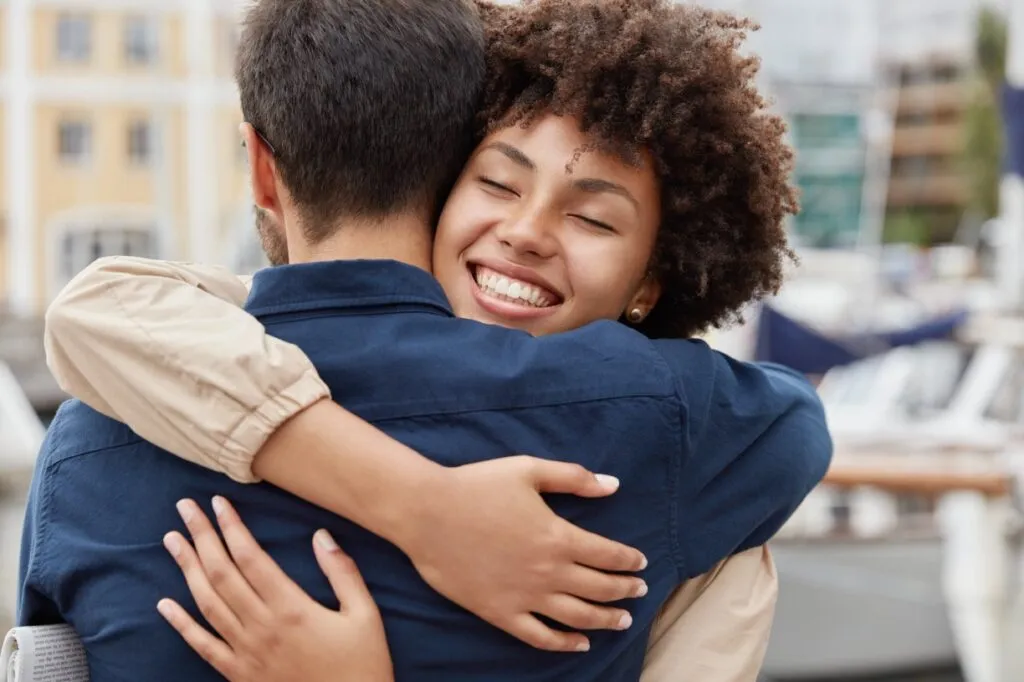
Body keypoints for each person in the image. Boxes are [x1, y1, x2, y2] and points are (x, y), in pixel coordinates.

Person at [25, 0, 830, 680]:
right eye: (500, 182)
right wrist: (422, 508)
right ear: (444, 168)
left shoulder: (91, 434)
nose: (525, 232)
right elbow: (798, 428)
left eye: (591, 217)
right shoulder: (678, 434)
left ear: (263, 170)